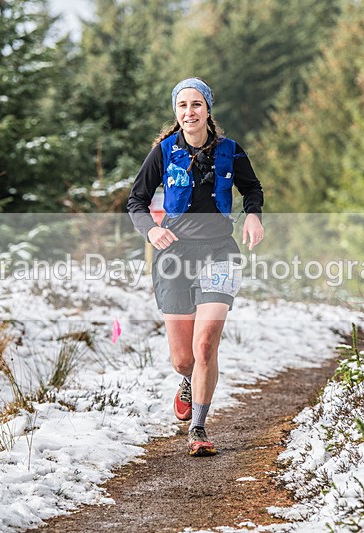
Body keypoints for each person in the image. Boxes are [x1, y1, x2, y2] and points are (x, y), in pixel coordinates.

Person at [127, 77, 264, 457]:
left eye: (196, 104)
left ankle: (198, 427)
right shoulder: (163, 151)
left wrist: (253, 216)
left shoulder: (231, 152)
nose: (189, 112)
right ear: (176, 112)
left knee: (206, 345)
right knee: (183, 358)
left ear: (208, 110)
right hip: (174, 254)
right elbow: (136, 201)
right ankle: (187, 380)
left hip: (220, 250)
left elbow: (252, 189)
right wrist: (152, 232)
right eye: (182, 105)